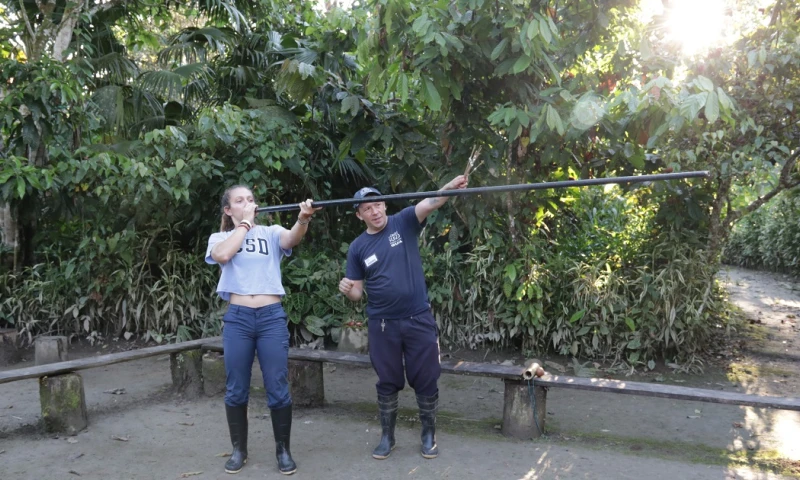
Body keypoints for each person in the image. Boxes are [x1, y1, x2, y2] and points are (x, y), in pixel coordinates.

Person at [338, 175, 468, 460]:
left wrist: (450, 188)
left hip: (418, 317)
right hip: (382, 323)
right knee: (387, 379)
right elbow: (357, 293)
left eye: (377, 204)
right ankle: (387, 436)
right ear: (360, 215)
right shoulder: (358, 248)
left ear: (384, 204)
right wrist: (348, 289)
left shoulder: (403, 222)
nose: (375, 211)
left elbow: (432, 201)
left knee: (427, 377)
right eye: (367, 209)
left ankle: (428, 433)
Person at [205, 185, 320, 475]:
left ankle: (283, 450)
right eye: (240, 200)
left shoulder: (270, 232)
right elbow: (222, 255)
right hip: (238, 319)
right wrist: (244, 223)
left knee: (278, 387)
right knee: (236, 389)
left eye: (251, 200)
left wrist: (303, 217)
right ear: (228, 210)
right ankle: (239, 450)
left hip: (271, 317)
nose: (248, 203)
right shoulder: (220, 237)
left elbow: (293, 237)